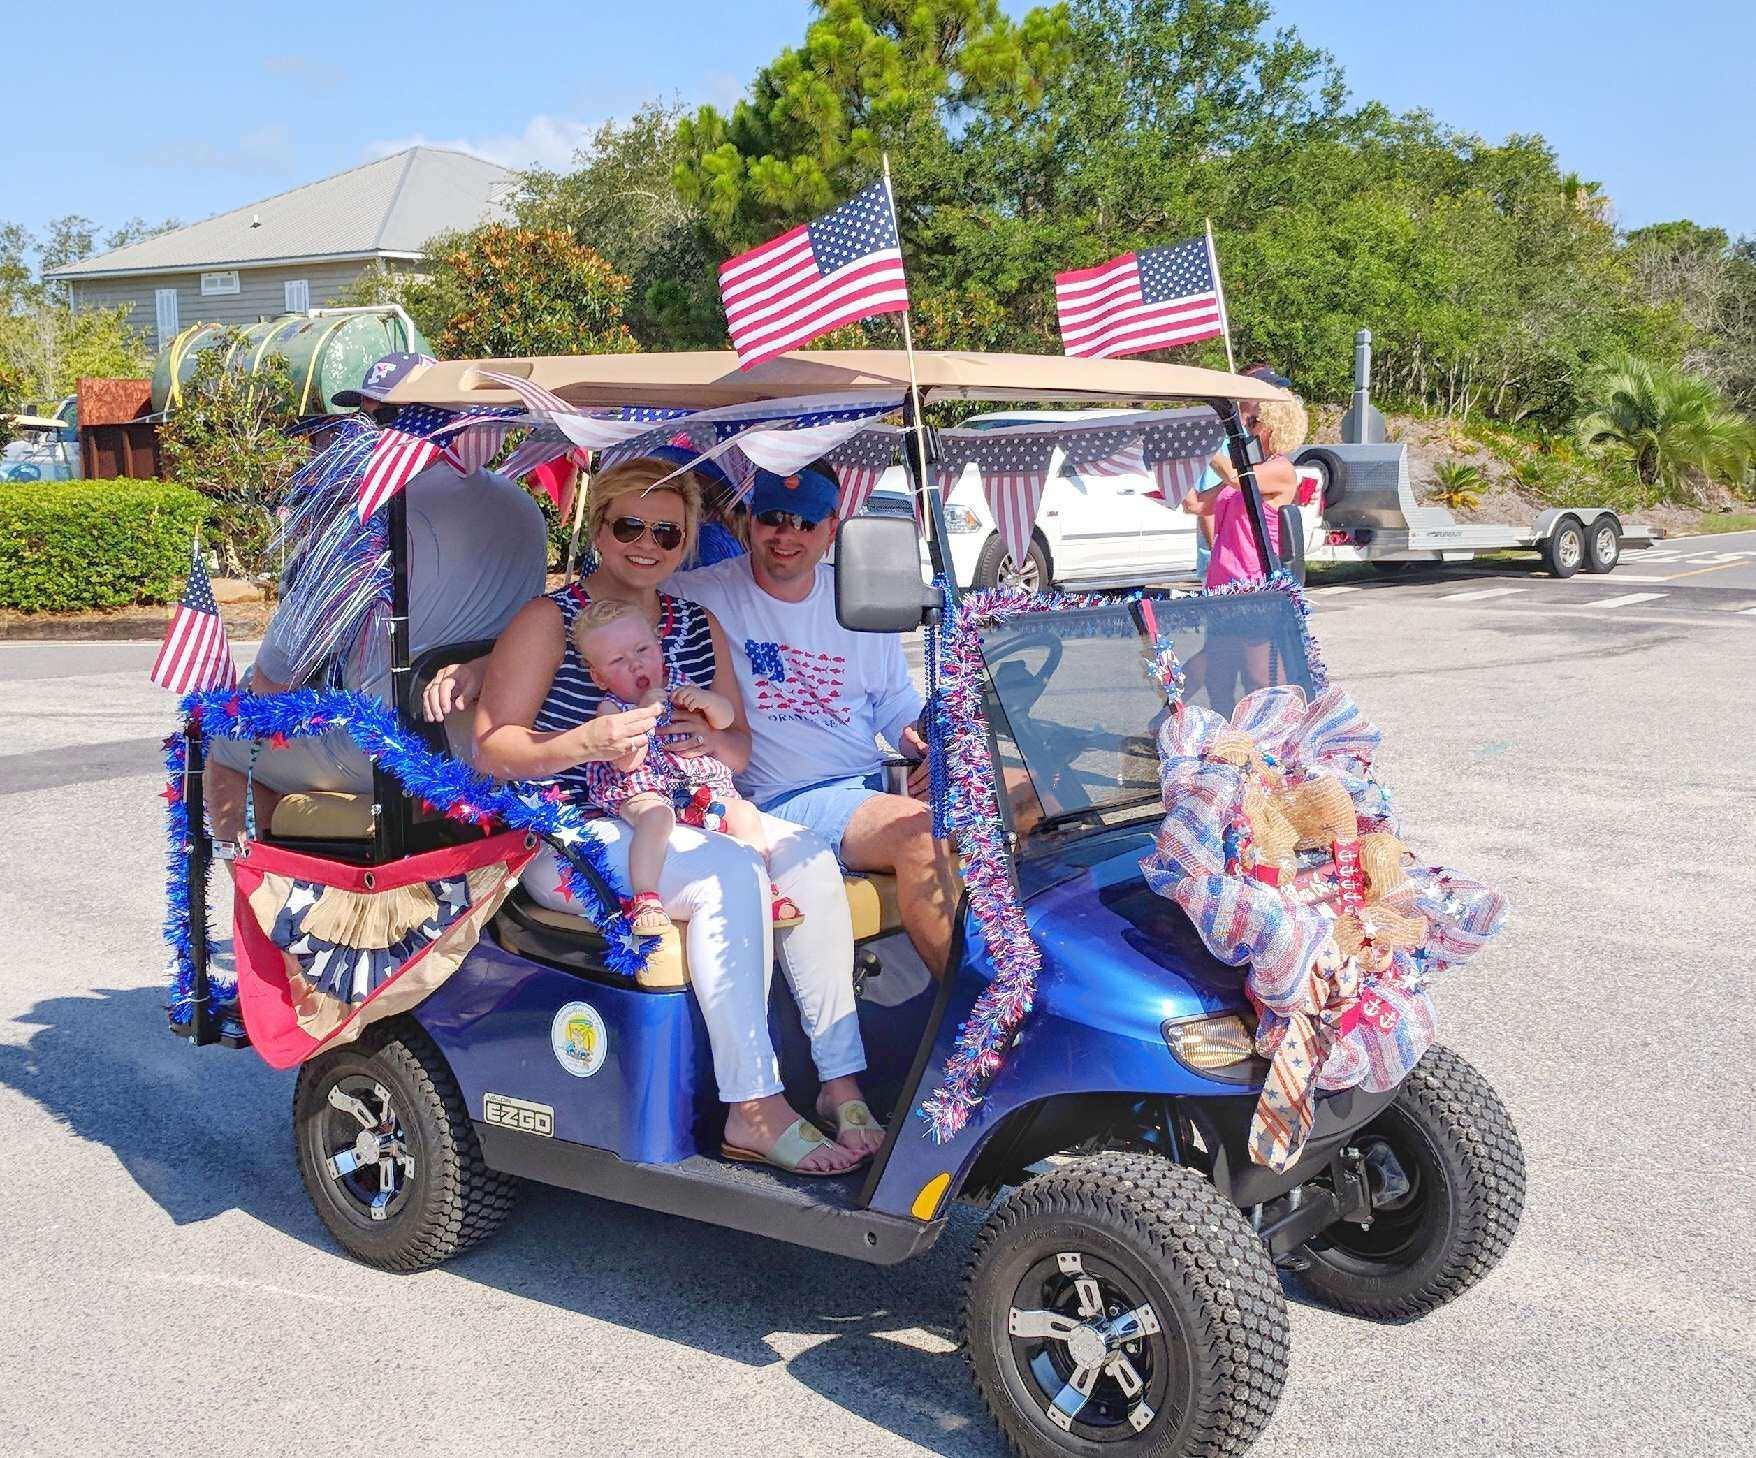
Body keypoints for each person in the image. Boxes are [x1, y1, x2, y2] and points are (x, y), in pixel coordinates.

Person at [471, 457, 881, 1175]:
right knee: (726, 872)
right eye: (629, 524)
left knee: (809, 857)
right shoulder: (551, 620)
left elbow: (740, 745)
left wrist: (710, 738)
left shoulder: (695, 624)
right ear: (599, 527)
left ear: (688, 541)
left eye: (667, 531)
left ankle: (839, 1082)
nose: (646, 543)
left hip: (680, 801)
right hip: (571, 824)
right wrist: (585, 741)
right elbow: (492, 748)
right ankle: (753, 1106)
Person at [206, 353, 547, 842]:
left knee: (225, 738)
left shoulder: (371, 511)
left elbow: (273, 677)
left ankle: (264, 881)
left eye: (379, 417)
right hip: (491, 739)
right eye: (363, 416)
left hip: (391, 750)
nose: (362, 433)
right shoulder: (522, 507)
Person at [671, 465, 961, 978]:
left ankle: (1035, 971)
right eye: (773, 519)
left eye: (805, 523)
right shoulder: (700, 593)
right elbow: (606, 606)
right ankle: (985, 1023)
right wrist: (484, 664)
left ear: (833, 527)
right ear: (748, 522)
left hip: (867, 786)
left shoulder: (856, 597)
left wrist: (922, 739)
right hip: (782, 798)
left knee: (1024, 795)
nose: (787, 536)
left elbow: (893, 699)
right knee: (922, 835)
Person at [570, 598, 802, 934]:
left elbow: (725, 720)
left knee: (745, 814)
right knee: (656, 818)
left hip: (693, 787)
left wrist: (709, 702)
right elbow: (627, 761)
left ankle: (762, 886)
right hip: (641, 788)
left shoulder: (680, 683)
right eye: (618, 660)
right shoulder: (611, 709)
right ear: (599, 676)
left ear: (659, 649)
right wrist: (645, 715)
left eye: (642, 650)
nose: (636, 665)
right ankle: (646, 897)